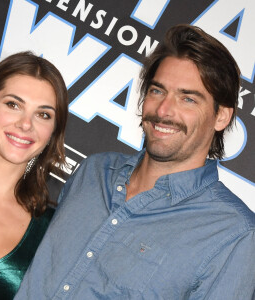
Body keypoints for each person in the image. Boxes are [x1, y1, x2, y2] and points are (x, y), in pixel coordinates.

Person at [15, 25, 255, 300]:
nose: (163, 110)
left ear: (222, 117)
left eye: (188, 98)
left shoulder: (235, 233)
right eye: (156, 91)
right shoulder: (94, 171)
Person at [0, 51, 68, 299]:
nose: (26, 124)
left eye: (43, 114)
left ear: (52, 133)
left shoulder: (49, 231)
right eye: (13, 105)